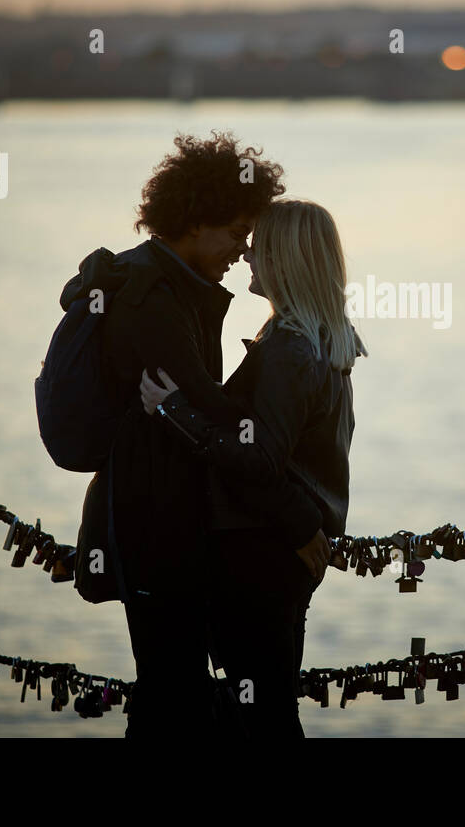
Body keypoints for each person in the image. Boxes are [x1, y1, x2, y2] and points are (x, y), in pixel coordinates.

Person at [67, 129, 323, 740]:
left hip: (175, 521)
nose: (243, 249)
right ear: (195, 220)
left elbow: (217, 423)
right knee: (171, 696)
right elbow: (217, 419)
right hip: (154, 525)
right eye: (237, 232)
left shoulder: (179, 287)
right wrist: (301, 520)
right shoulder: (150, 300)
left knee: (184, 697)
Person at [140, 198, 365, 737]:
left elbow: (262, 459)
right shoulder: (326, 341)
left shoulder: (289, 347)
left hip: (260, 551)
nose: (247, 257)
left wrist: (173, 412)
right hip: (292, 548)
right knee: (270, 703)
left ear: (285, 259)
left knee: (263, 713)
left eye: (259, 247)